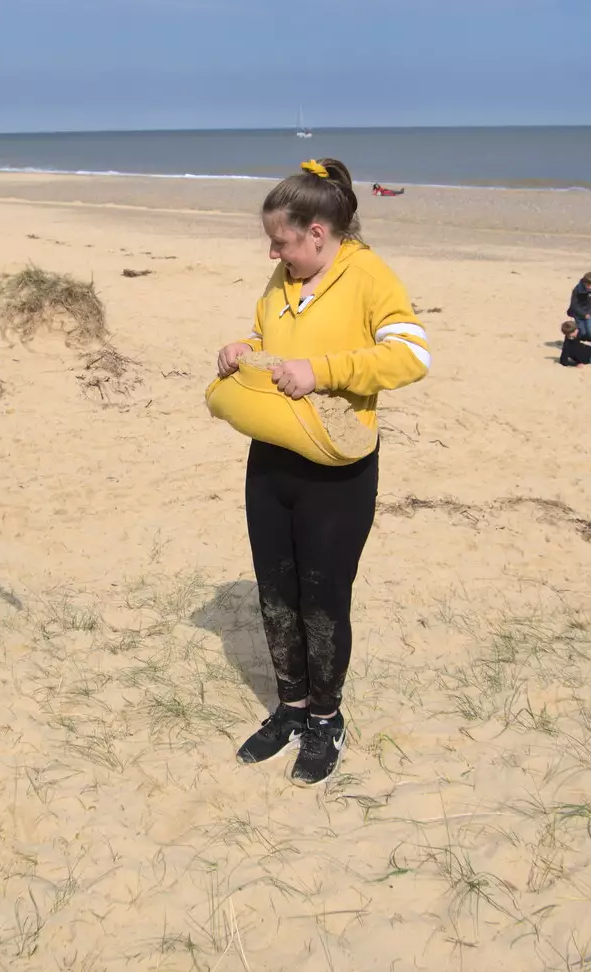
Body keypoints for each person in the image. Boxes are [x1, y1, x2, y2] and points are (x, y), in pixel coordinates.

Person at [215, 158, 430, 785]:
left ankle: (327, 719)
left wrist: (323, 371)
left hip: (338, 469)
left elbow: (412, 353)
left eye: (280, 240)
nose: (271, 252)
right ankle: (291, 707)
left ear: (317, 231)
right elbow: (267, 341)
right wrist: (243, 350)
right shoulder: (281, 281)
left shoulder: (367, 275)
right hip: (273, 457)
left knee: (323, 597)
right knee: (276, 590)